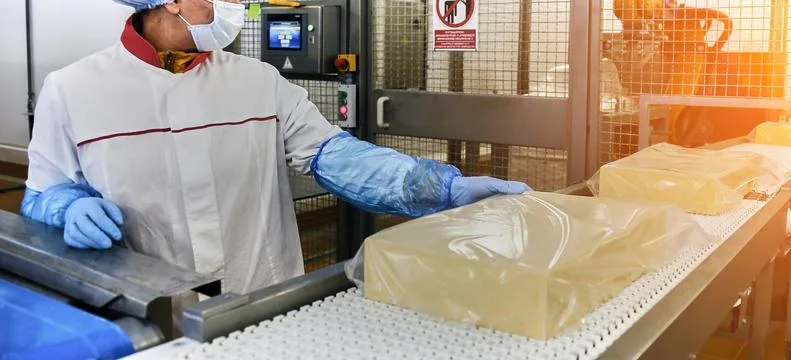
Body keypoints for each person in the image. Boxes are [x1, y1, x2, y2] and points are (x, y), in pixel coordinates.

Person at [20, 0, 530, 295]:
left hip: (263, 295)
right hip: (152, 309)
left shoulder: (258, 81)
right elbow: (42, 192)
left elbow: (336, 158)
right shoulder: (74, 88)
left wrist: (441, 188)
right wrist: (67, 207)